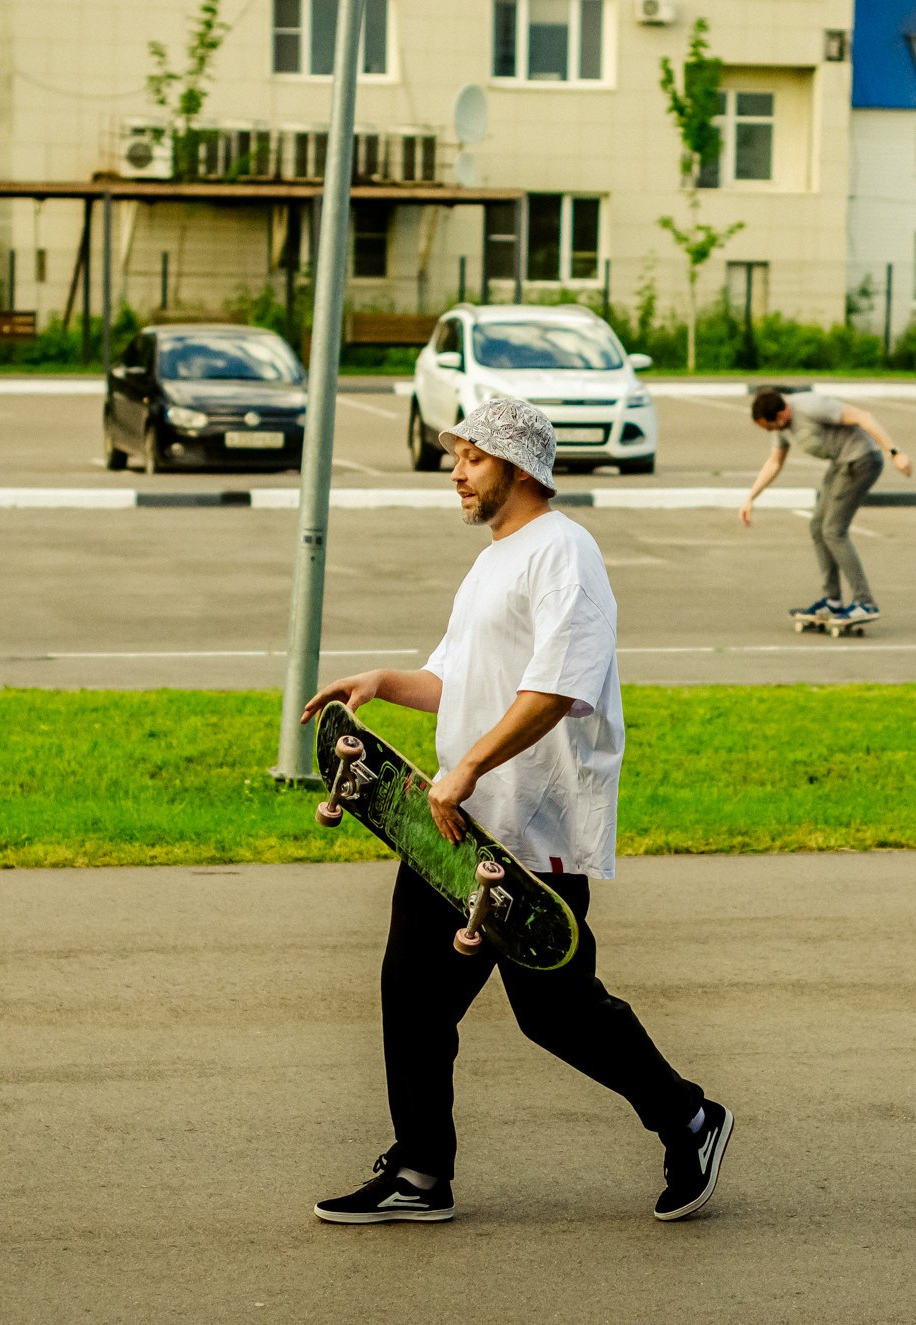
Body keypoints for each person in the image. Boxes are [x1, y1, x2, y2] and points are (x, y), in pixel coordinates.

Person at [300, 395, 732, 1225]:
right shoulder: (493, 560)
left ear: (520, 466)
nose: (454, 473)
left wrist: (464, 765)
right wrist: (385, 683)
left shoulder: (564, 554)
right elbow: (456, 681)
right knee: (412, 993)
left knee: (558, 1015)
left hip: (531, 832)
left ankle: (689, 1116)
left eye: (470, 458)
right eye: (454, 458)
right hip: (458, 821)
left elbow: (556, 691)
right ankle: (422, 1168)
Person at [739, 389, 913, 628]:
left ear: (781, 414)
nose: (772, 432)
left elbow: (864, 417)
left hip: (862, 460)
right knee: (817, 526)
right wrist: (750, 497)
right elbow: (775, 462)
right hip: (841, 464)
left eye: (770, 427)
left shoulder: (811, 406)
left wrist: (895, 453)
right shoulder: (782, 426)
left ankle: (865, 602)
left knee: (833, 530)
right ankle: (832, 601)